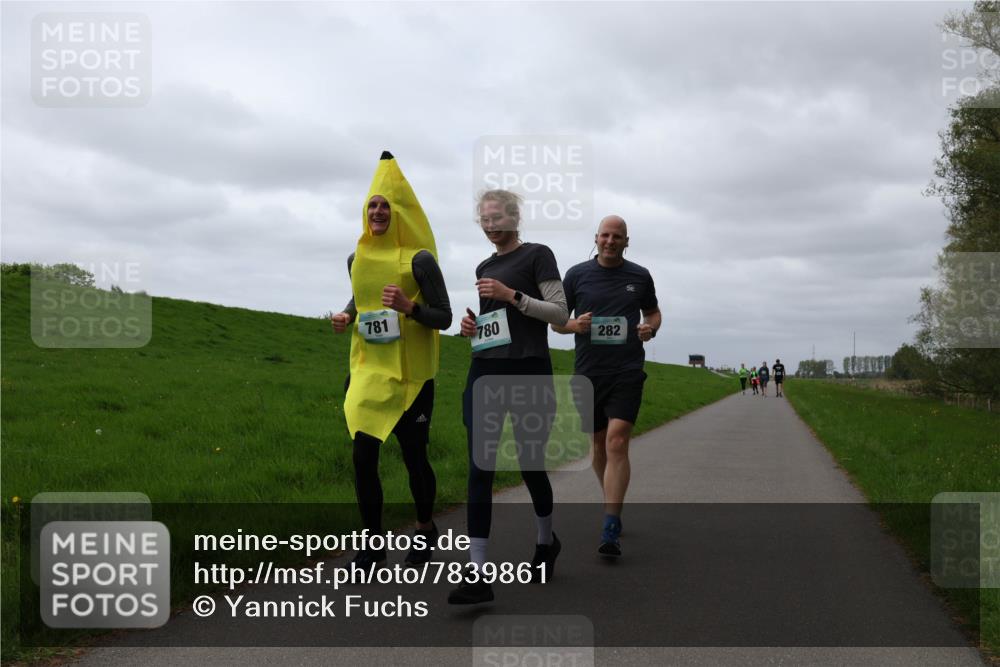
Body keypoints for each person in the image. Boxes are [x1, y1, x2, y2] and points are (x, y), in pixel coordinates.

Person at [330, 151, 452, 570]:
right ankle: (373, 544)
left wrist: (409, 307)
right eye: (372, 206)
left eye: (385, 206)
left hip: (412, 379)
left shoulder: (419, 260)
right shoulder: (356, 258)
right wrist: (347, 315)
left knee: (415, 459)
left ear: (398, 213)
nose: (378, 212)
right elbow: (362, 299)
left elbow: (445, 317)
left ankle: (424, 527)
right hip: (367, 372)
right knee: (363, 458)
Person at [448, 189, 569, 605]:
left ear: (515, 218)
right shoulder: (484, 266)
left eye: (497, 217)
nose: (490, 225)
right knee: (479, 467)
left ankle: (545, 541)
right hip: (485, 371)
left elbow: (560, 313)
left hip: (529, 371)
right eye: (484, 219)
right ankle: (478, 572)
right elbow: (495, 324)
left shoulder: (538, 255)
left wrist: (512, 295)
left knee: (530, 465)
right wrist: (472, 327)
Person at [553, 215, 660, 558]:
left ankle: (610, 525)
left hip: (627, 370)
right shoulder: (576, 275)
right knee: (598, 444)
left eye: (617, 236)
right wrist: (574, 325)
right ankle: (611, 500)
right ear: (596, 238)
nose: (610, 241)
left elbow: (653, 313)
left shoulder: (639, 276)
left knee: (617, 441)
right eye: (605, 235)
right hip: (588, 372)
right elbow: (557, 321)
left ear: (627, 241)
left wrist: (650, 328)